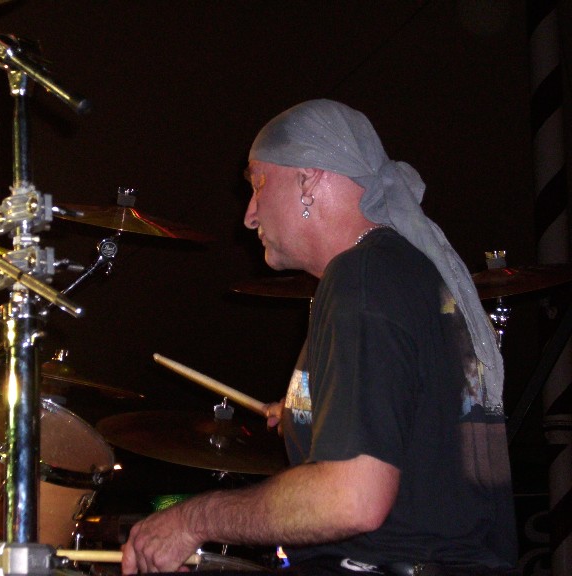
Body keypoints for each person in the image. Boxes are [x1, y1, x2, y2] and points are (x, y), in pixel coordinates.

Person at [121, 100, 517, 575]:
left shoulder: (361, 277)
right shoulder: (406, 274)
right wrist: (305, 410)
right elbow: (418, 428)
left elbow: (352, 499)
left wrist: (192, 519)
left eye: (258, 185)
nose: (249, 215)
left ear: (308, 180)